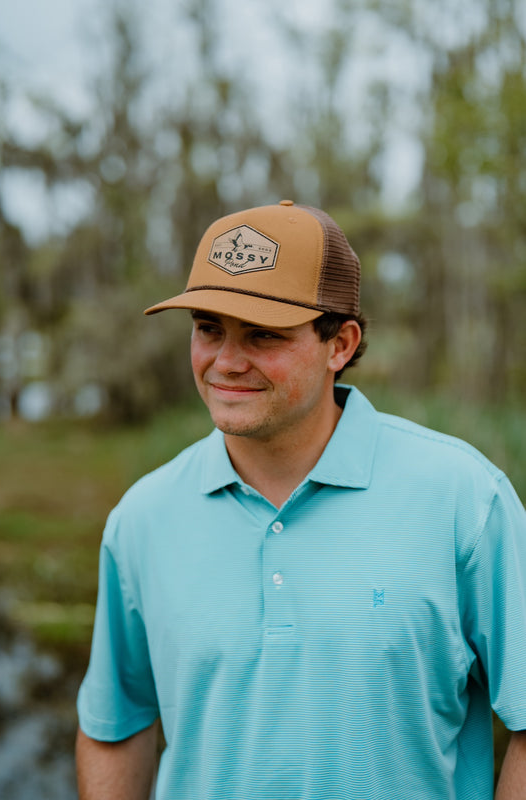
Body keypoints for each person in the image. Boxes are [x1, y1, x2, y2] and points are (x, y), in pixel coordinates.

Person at [76, 200, 526, 800]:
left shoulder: (465, 500)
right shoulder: (141, 518)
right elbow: (116, 728)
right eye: (209, 328)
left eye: (262, 335)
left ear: (339, 343)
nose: (226, 362)